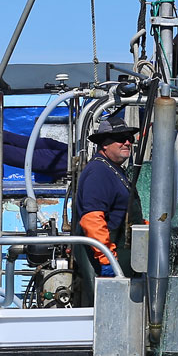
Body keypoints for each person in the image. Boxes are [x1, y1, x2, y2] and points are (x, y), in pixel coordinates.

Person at [73, 112, 142, 280]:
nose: (127, 142)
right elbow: (92, 219)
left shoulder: (114, 170)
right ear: (104, 144)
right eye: (120, 138)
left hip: (124, 258)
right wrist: (107, 260)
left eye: (129, 138)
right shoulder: (98, 172)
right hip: (108, 263)